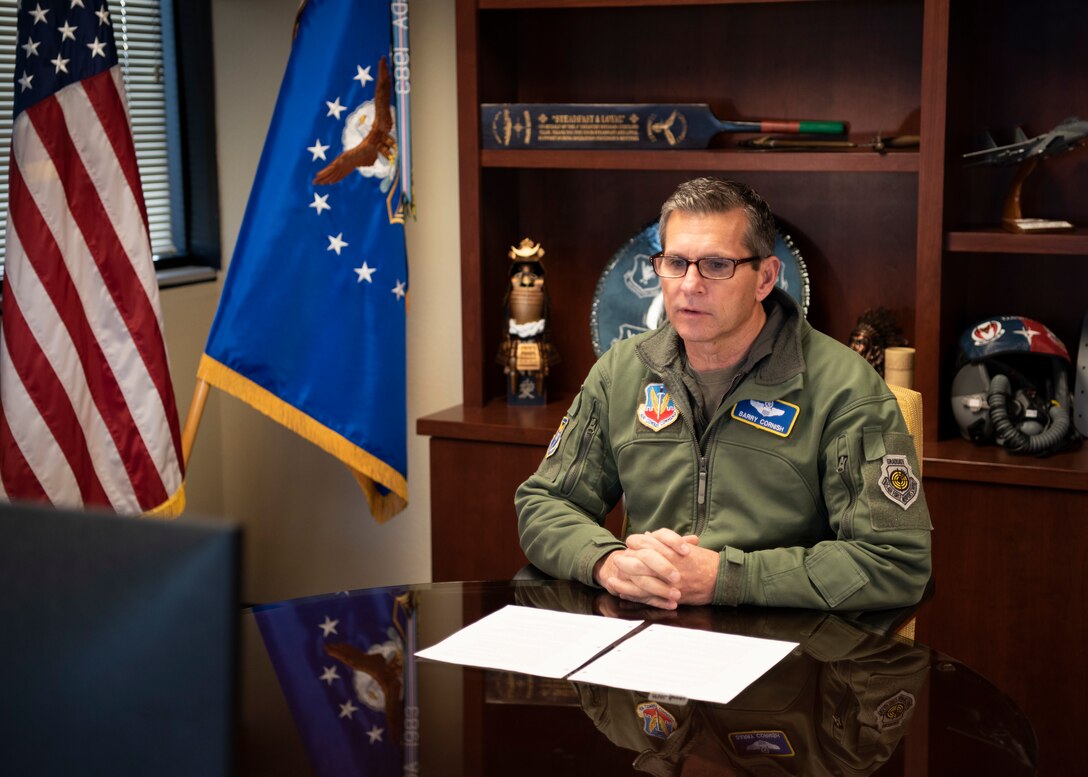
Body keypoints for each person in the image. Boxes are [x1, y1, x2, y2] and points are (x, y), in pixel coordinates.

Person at [515, 177, 932, 611]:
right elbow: (545, 502)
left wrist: (727, 579)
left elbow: (897, 562)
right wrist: (607, 562)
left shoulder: (844, 387)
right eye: (676, 262)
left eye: (716, 265)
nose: (689, 284)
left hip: (783, 634)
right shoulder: (621, 371)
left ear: (765, 278)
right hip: (649, 624)